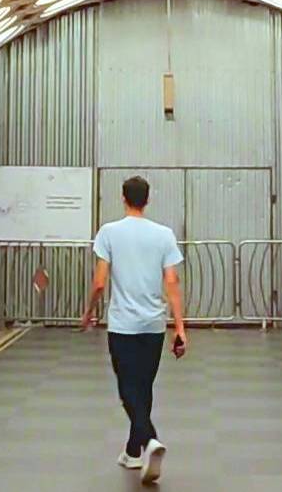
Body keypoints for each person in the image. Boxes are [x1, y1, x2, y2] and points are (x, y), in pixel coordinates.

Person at [79, 175, 187, 485]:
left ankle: (150, 439)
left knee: (127, 388)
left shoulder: (109, 233)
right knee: (143, 386)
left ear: (123, 198)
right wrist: (180, 327)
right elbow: (172, 282)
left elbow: (100, 283)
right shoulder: (164, 235)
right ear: (147, 200)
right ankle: (133, 451)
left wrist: (88, 312)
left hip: (123, 325)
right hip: (153, 325)